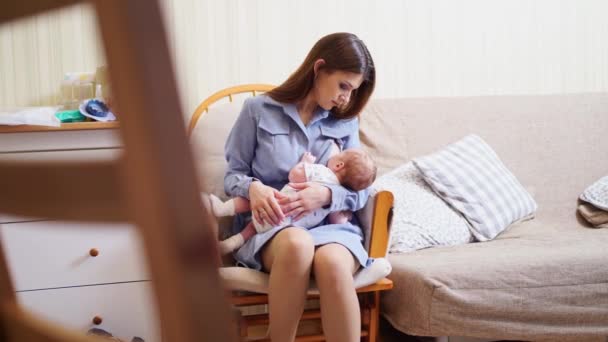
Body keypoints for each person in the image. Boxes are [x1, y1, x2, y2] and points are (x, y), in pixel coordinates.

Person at [223, 32, 375, 341]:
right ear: (319, 69)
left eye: (353, 90)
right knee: (297, 245)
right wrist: (254, 188)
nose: (346, 98)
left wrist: (328, 194)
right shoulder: (257, 110)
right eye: (343, 85)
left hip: (332, 228)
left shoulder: (345, 123)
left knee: (333, 263)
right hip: (275, 226)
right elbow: (232, 176)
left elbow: (361, 192)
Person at [208, 148, 377, 255]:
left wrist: (304, 163)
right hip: (288, 225)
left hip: (276, 203)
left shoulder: (321, 172)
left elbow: (294, 176)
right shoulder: (337, 197)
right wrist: (345, 216)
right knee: (253, 228)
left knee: (251, 202)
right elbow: (336, 220)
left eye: (337, 155)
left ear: (339, 165)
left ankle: (223, 209)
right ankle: (232, 243)